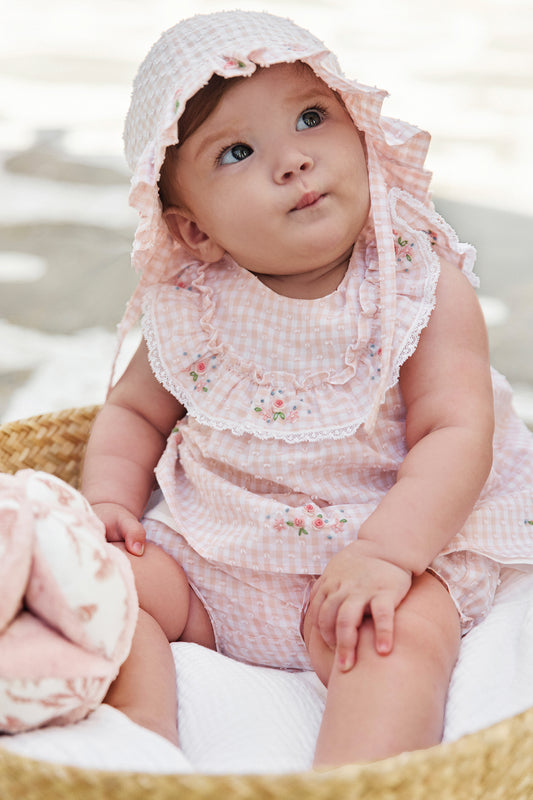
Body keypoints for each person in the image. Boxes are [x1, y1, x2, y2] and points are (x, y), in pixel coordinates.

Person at [82, 10, 533, 768]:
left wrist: (386, 556)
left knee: (398, 639)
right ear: (194, 231)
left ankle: (354, 777)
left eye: (312, 117)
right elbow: (133, 412)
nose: (292, 160)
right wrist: (107, 503)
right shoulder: (194, 305)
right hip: (211, 558)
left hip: (382, 551)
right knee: (100, 590)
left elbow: (457, 431)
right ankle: (141, 751)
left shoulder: (416, 284)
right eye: (236, 151)